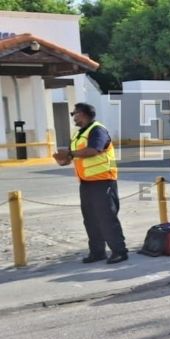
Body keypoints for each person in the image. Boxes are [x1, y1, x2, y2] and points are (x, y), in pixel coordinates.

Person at [53, 102, 128, 264]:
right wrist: (62, 159)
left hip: (103, 180)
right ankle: (97, 252)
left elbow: (95, 150)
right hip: (86, 182)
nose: (73, 116)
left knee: (107, 217)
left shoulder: (97, 130)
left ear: (83, 114)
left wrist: (70, 153)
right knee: (90, 219)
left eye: (74, 113)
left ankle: (119, 251)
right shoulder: (77, 134)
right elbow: (72, 156)